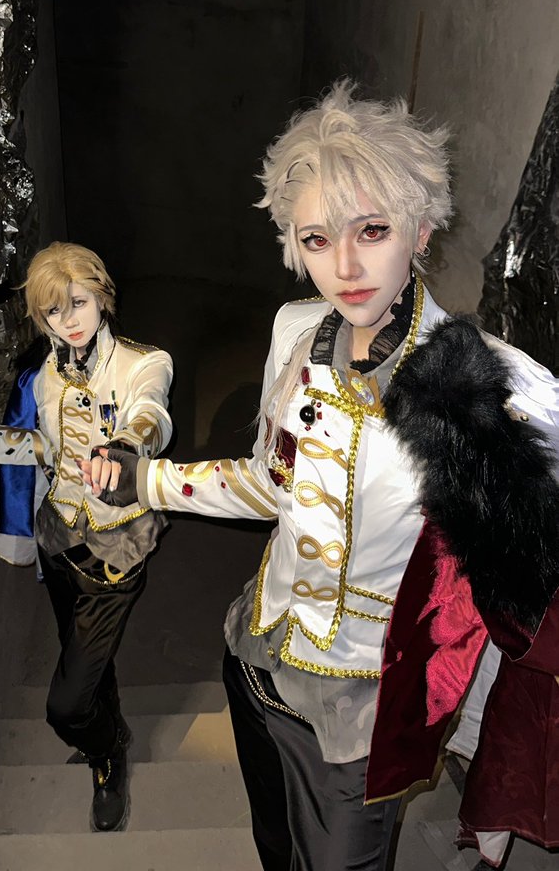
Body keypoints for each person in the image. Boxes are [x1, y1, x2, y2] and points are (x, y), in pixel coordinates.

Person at [81, 83, 559, 871]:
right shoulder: (296, 329)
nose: (343, 266)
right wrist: (147, 481)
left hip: (363, 712)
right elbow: (273, 482)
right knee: (276, 849)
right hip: (255, 659)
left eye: (372, 230)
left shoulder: (494, 390)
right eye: (315, 238)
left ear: (420, 230)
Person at [0, 242, 173, 832]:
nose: (68, 320)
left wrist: (125, 446)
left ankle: (108, 751)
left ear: (102, 296)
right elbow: (43, 449)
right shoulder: (47, 375)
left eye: (78, 303)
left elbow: (151, 414)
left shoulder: (145, 362)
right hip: (58, 543)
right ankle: (110, 729)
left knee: (65, 705)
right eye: (53, 310)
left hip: (116, 552)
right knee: (86, 665)